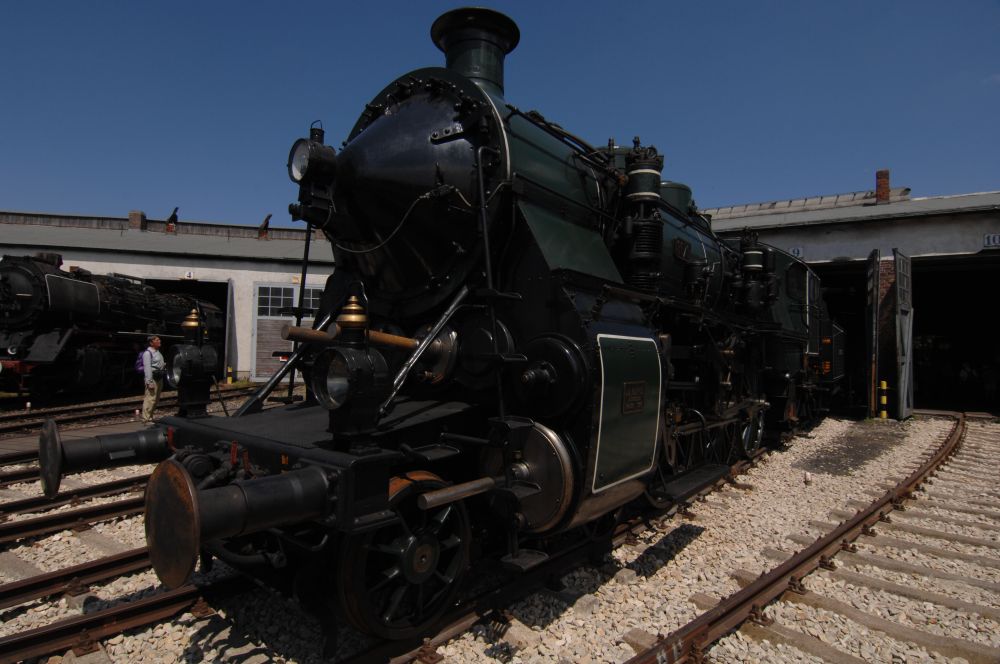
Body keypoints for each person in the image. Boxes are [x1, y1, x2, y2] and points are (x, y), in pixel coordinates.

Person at [141, 335, 165, 425]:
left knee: (156, 399)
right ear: (151, 342)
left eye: (159, 339)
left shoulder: (157, 352)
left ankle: (150, 417)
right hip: (153, 379)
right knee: (150, 399)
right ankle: (146, 419)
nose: (159, 341)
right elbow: (147, 368)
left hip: (159, 378)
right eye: (157, 340)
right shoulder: (148, 353)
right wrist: (149, 381)